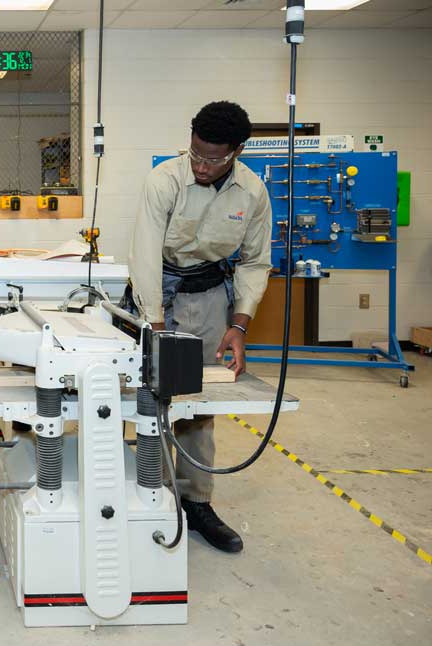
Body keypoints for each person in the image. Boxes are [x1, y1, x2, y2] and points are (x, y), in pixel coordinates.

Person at [127, 101, 272, 553]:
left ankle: (195, 502)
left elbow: (255, 261)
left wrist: (239, 326)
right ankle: (140, 492)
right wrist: (154, 328)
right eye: (196, 154)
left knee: (198, 402)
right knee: (141, 395)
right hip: (156, 293)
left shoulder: (252, 192)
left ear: (237, 152)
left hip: (209, 295)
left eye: (214, 158)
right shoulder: (165, 180)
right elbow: (145, 256)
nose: (202, 166)